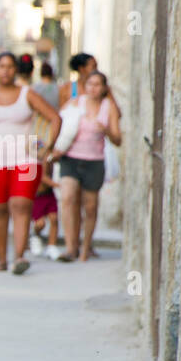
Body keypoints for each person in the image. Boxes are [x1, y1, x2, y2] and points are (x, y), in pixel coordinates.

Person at [0, 51, 60, 274]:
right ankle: (2, 259)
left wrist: (48, 148)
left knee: (20, 205)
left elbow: (55, 118)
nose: (6, 70)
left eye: (10, 66)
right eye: (1, 66)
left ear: (16, 70)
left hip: (26, 160)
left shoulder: (27, 94)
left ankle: (19, 256)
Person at [55, 70, 121, 262]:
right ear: (85, 86)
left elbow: (118, 139)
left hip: (94, 161)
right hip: (71, 158)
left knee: (90, 207)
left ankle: (85, 248)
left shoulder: (109, 107)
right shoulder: (76, 103)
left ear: (104, 88)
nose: (93, 88)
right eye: (90, 84)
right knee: (67, 198)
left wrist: (106, 129)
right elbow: (60, 120)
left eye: (98, 84)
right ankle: (70, 247)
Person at [30, 61, 63, 259]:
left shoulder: (32, 90)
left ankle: (48, 244)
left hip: (37, 135)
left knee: (52, 217)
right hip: (48, 136)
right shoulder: (60, 89)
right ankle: (37, 240)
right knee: (41, 221)